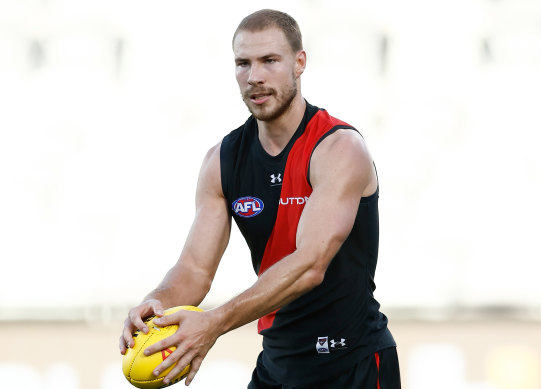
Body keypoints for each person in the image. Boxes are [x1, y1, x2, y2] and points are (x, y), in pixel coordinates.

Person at [119, 9, 400, 388]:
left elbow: (309, 266)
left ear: (299, 63)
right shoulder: (222, 160)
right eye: (243, 63)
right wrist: (156, 304)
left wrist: (214, 323)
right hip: (278, 366)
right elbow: (194, 271)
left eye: (269, 61)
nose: (254, 77)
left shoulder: (338, 148)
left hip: (351, 365)